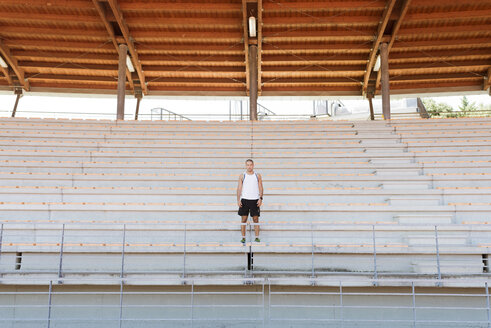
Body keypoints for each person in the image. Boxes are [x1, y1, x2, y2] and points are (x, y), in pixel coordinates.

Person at [237, 159, 263, 243]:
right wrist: (238, 200)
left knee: (255, 219)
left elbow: (260, 187)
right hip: (245, 199)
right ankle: (243, 237)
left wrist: (260, 198)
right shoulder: (242, 175)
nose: (249, 166)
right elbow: (239, 188)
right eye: (247, 165)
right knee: (244, 219)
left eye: (250, 165)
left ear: (253, 165)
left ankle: (257, 237)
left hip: (254, 200)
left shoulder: (257, 175)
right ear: (245, 166)